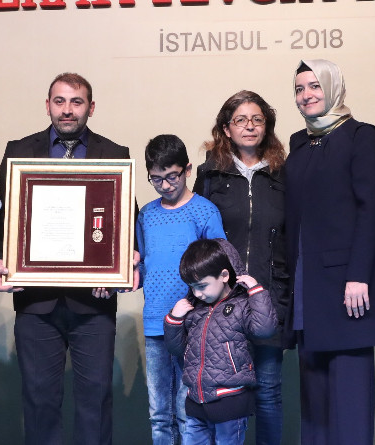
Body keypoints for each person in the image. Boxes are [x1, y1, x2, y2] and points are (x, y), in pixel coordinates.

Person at [0, 72, 136, 445]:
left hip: (94, 303)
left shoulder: (114, 154)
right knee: (39, 402)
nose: (67, 110)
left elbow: (127, 224)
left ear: (91, 107)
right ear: (48, 105)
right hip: (37, 302)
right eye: (59, 101)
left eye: (76, 102)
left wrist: (123, 263)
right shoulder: (19, 151)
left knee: (95, 401)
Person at [284, 59, 375, 445]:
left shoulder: (360, 135)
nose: (307, 95)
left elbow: (371, 208)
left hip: (348, 287)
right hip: (307, 286)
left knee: (349, 402)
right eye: (299, 88)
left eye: (314, 86)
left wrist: (359, 275)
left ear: (332, 87)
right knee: (314, 404)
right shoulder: (299, 142)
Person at [192, 90, 291, 445]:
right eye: (240, 120)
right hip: (221, 306)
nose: (249, 126)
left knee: (268, 394)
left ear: (267, 126)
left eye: (257, 119)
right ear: (226, 128)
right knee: (224, 398)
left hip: (269, 300)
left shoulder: (284, 174)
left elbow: (292, 238)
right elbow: (199, 238)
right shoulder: (209, 175)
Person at [136, 134, 226, 444]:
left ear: (187, 169)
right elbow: (141, 265)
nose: (165, 185)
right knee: (159, 414)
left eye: (172, 176)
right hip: (155, 325)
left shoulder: (205, 211)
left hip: (195, 327)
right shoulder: (146, 215)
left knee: (189, 412)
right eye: (156, 179)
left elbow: (219, 268)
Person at [165, 239, 276, 445]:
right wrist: (174, 320)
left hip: (231, 402)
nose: (197, 293)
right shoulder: (194, 309)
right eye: (192, 286)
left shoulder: (242, 305)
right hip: (196, 401)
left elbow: (265, 329)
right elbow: (176, 348)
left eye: (202, 286)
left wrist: (256, 291)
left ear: (224, 275)